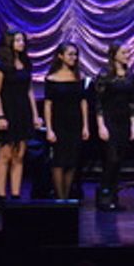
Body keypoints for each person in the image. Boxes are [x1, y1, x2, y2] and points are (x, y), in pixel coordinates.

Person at [0, 28, 40, 206]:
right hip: (7, 111)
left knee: (19, 155)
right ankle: (1, 195)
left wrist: (35, 115)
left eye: (23, 40)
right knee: (5, 155)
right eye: (18, 40)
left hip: (23, 111)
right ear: (9, 42)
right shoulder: (0, 65)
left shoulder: (26, 63)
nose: (22, 43)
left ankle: (16, 195)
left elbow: (29, 90)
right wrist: (0, 116)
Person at [93, 41, 134, 212]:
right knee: (111, 159)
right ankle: (104, 194)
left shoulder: (129, 74)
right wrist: (101, 125)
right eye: (124, 52)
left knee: (119, 161)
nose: (127, 54)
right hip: (109, 120)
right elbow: (98, 103)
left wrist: (133, 125)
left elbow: (131, 101)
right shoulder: (105, 74)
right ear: (114, 54)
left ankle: (113, 196)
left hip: (124, 121)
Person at [43, 42, 89, 201]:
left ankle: (67, 196)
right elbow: (48, 105)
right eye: (70, 54)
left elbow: (83, 102)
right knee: (59, 161)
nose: (74, 58)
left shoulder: (79, 77)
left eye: (75, 55)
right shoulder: (51, 79)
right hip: (58, 123)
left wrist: (85, 126)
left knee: (72, 161)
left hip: (75, 123)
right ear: (60, 56)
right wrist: (49, 129)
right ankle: (59, 197)